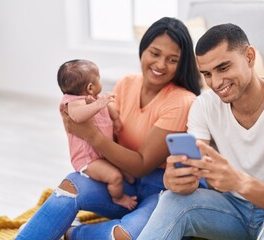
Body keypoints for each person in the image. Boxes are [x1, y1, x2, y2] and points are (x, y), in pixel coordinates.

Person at [15, 16, 202, 240]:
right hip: (122, 183)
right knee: (70, 187)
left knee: (123, 236)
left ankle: (70, 232)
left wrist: (91, 135)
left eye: (173, 59)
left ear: (182, 64)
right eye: (155, 53)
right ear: (143, 50)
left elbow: (142, 165)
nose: (161, 64)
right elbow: (107, 132)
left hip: (159, 191)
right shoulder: (126, 83)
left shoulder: (182, 101)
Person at [137, 23, 264, 240]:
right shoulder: (204, 105)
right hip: (234, 209)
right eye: (207, 74)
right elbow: (194, 172)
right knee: (171, 199)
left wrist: (238, 181)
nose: (215, 83)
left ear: (250, 57)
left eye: (223, 68)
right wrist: (175, 179)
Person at [57, 59, 137, 210]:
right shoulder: (74, 102)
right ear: (90, 87)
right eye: (98, 79)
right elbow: (77, 116)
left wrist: (116, 118)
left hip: (101, 150)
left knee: (124, 166)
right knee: (115, 177)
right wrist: (99, 104)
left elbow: (109, 110)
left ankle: (124, 173)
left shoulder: (95, 98)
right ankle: (118, 198)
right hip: (88, 159)